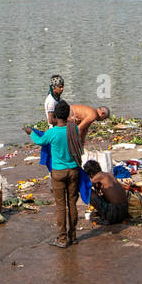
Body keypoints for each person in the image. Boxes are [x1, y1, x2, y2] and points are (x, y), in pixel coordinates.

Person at [26, 99, 80, 247]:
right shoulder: (73, 128)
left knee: (61, 206)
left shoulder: (52, 132)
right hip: (74, 170)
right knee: (72, 203)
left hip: (59, 173)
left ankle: (62, 239)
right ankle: (73, 236)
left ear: (55, 116)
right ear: (68, 114)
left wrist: (31, 132)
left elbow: (40, 141)